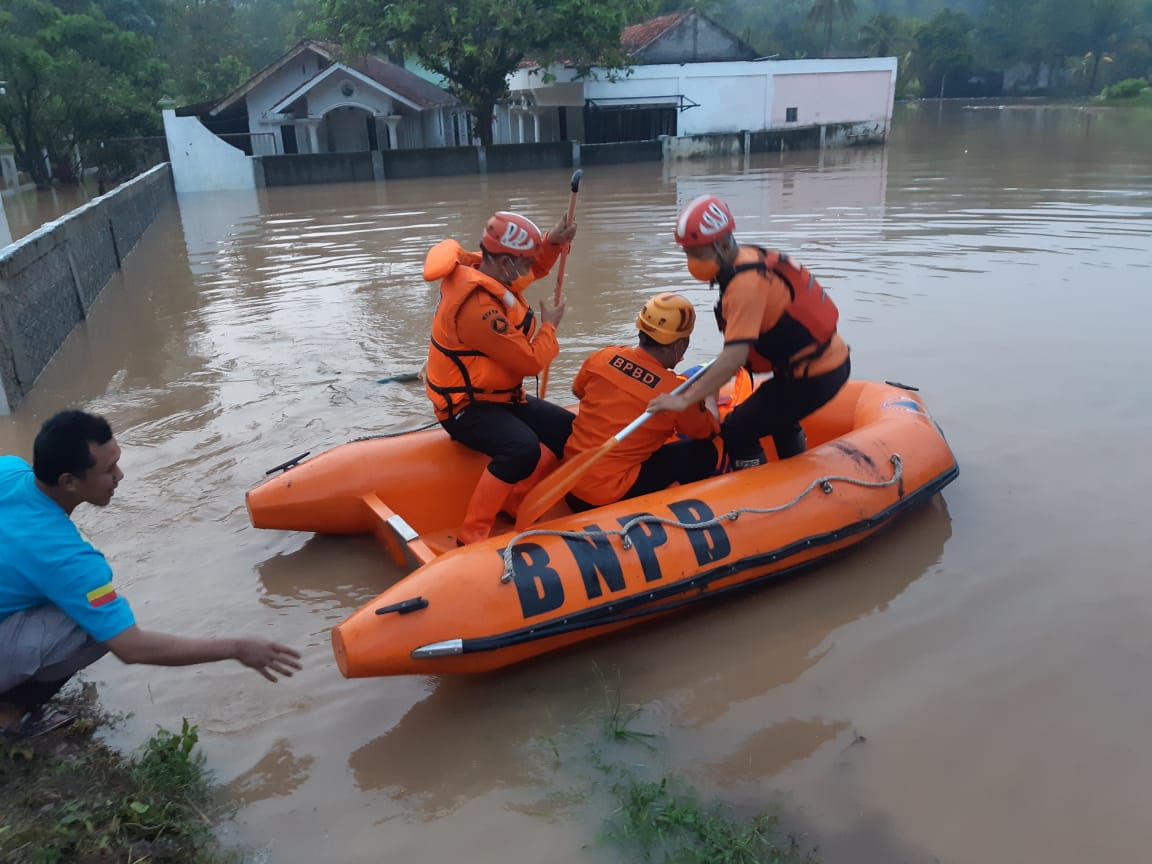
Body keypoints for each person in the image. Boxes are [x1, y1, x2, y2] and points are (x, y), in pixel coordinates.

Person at [0, 410, 302, 740]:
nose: (120, 475)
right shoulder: (70, 560)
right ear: (68, 482)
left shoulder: (10, 470)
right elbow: (132, 647)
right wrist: (237, 647)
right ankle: (8, 716)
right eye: (107, 470)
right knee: (93, 626)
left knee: (79, 605)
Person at [648, 195, 850, 467]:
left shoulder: (745, 285)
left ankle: (755, 496)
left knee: (736, 430)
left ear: (721, 244)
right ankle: (794, 468)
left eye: (696, 253)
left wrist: (684, 400)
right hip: (808, 370)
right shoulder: (744, 259)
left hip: (815, 376)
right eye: (687, 253)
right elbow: (733, 353)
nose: (691, 261)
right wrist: (709, 388)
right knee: (776, 415)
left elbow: (734, 358)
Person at [423, 209, 578, 545]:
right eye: (522, 262)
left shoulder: (486, 269)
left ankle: (514, 497)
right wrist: (550, 325)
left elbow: (533, 269)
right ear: (507, 262)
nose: (527, 270)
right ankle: (473, 532)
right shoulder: (478, 308)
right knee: (522, 449)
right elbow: (530, 361)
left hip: (497, 397)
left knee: (567, 431)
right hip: (465, 407)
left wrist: (551, 241)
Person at [564, 292, 720, 511]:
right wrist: (710, 393)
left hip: (569, 484)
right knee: (704, 452)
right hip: (608, 494)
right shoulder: (676, 392)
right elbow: (706, 431)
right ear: (679, 345)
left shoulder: (602, 356)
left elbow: (578, 391)